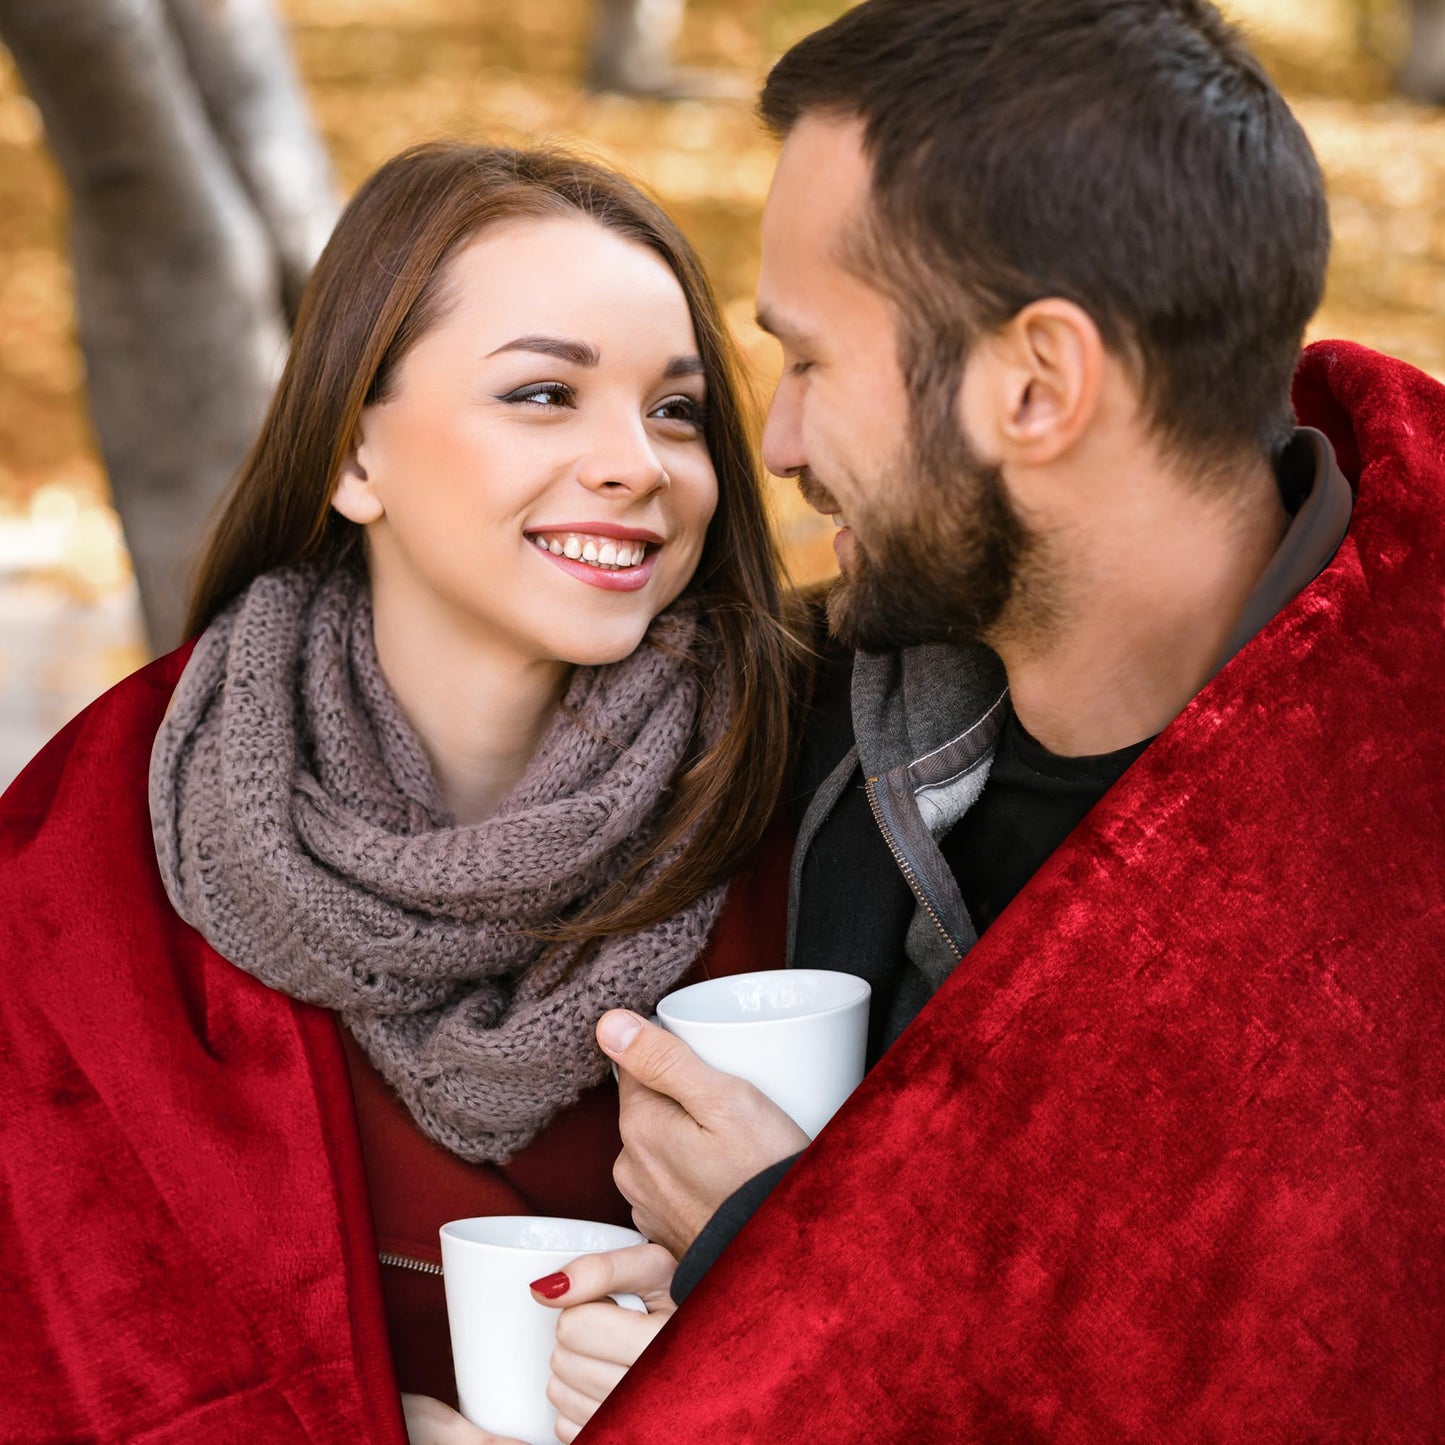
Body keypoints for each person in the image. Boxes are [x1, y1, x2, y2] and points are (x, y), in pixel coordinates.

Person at [571, 0, 1445, 1436]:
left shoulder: (1388, 864)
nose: (775, 442)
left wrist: (777, 1257)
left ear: (1035, 385)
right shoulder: (825, 722)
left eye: (808, 363)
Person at [0, 141, 802, 1444]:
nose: (637, 463)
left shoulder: (812, 795)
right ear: (352, 458)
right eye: (544, 393)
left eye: (675, 410)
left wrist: (755, 1323)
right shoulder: (82, 846)